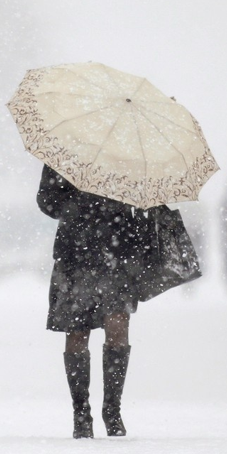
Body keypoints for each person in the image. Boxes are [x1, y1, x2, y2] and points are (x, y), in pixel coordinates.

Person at [37, 164, 157, 439]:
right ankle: (81, 412)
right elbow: (46, 199)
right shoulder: (65, 150)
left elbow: (144, 197)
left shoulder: (127, 153)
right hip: (75, 253)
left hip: (118, 250)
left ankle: (112, 409)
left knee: (117, 326)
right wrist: (74, 205)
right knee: (76, 330)